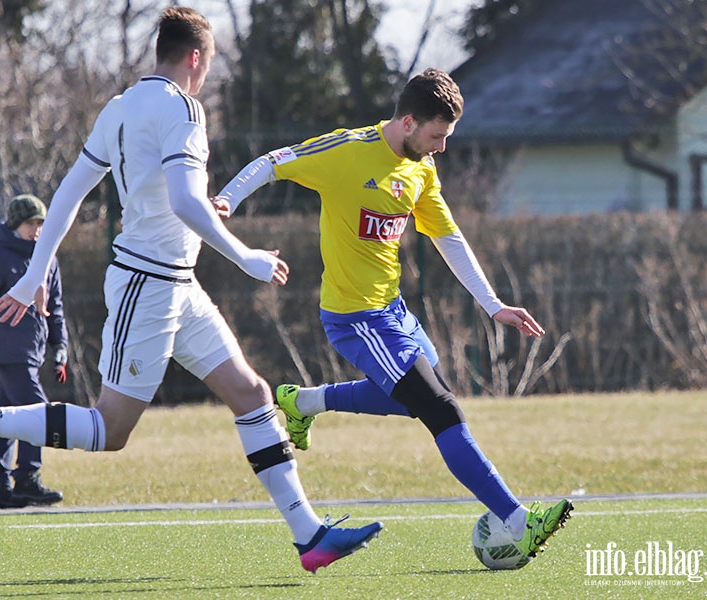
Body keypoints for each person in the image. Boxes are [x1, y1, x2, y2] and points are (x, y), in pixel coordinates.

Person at [0, 6, 381, 573]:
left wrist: (37, 271)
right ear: (195, 57)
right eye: (209, 65)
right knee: (110, 430)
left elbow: (68, 193)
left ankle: (309, 536)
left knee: (252, 395)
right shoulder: (183, 107)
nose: (207, 75)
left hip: (176, 284)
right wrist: (245, 257)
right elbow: (185, 202)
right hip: (148, 284)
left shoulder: (121, 106)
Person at [214, 68, 572, 563]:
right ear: (407, 122)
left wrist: (494, 305)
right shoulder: (346, 150)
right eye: (436, 135)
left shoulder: (421, 169)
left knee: (412, 401)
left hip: (394, 312)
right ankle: (517, 520)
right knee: (441, 408)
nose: (442, 146)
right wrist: (228, 197)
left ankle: (304, 403)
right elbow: (272, 162)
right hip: (356, 318)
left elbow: (448, 237)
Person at [0, 194, 68, 509]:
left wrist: (60, 345)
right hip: (8, 354)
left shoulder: (49, 260)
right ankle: (27, 480)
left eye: (40, 223)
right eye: (29, 223)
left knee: (6, 419)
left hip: (32, 354)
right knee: (39, 413)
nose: (36, 230)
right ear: (14, 225)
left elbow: (56, 309)